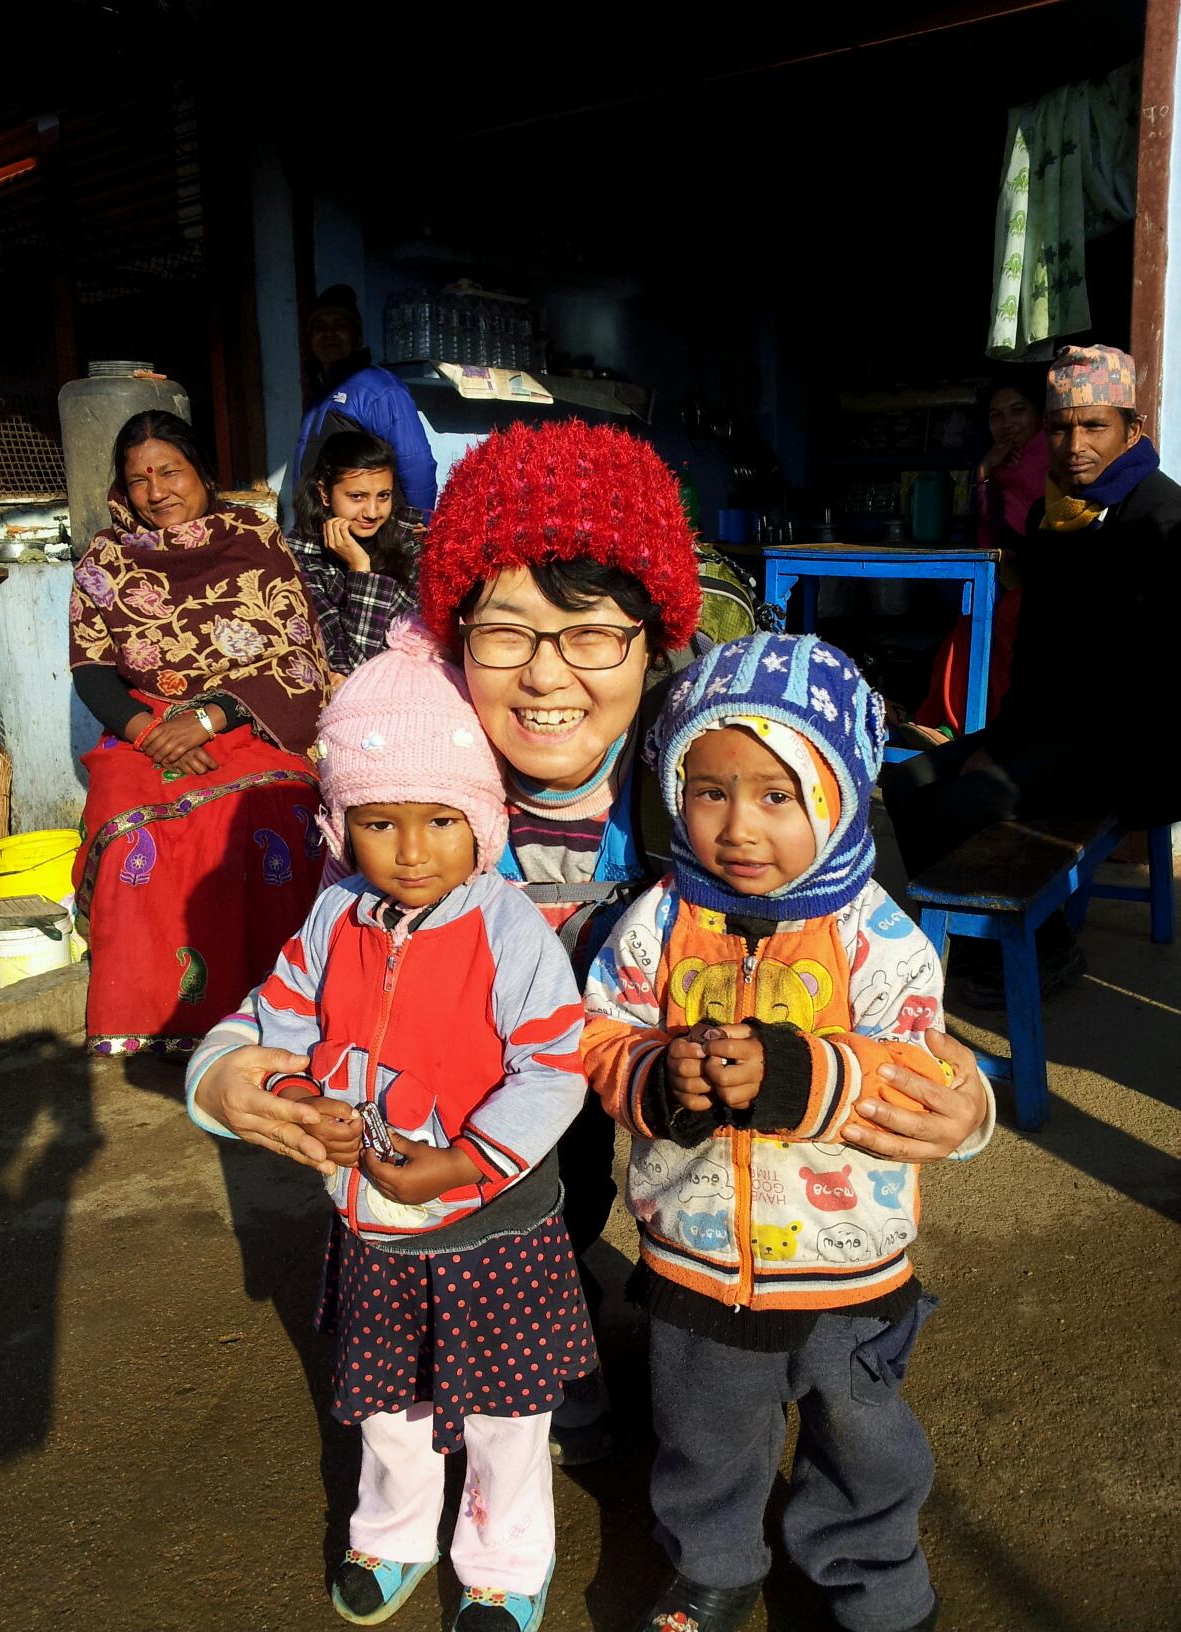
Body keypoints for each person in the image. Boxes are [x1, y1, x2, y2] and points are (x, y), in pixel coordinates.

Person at [187, 422, 992, 1461]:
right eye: (505, 632)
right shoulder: (415, 771)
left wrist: (959, 1104)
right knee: (535, 1181)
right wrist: (225, 1070)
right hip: (502, 1061)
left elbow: (877, 969)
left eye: (593, 633)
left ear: (656, 636)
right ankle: (534, 1324)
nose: (545, 677)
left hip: (682, 1051)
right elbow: (325, 959)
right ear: (453, 635)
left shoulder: (732, 757)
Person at [582, 632, 994, 1632]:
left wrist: (801, 1074)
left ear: (841, 797)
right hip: (693, 1257)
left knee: (861, 1434)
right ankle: (714, 1565)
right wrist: (655, 1070)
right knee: (705, 1433)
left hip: (847, 1265)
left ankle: (873, 1571)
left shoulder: (878, 936)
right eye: (708, 789)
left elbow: (921, 1069)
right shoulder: (654, 923)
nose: (738, 826)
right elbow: (600, 1036)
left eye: (778, 795)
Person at [255, 619, 593, 1630]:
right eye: (378, 821)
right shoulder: (331, 919)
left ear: (481, 821)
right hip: (375, 1226)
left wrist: (461, 1161)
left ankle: (504, 1559)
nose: (409, 850)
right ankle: (393, 1535)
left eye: (440, 820)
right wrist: (293, 1097)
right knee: (390, 1408)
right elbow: (280, 1020)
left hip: (493, 1222)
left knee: (505, 1413)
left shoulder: (511, 928)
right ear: (341, 825)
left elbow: (553, 1067)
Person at [884, 344, 1181, 1005]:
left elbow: (1144, 681)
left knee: (968, 800)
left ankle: (1048, 952)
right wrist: (1005, 739)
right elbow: (1038, 655)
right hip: (1059, 727)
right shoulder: (1058, 515)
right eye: (1061, 427)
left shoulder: (1162, 521)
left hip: (1134, 742)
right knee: (908, 783)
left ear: (1132, 430)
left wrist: (1017, 753)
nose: (1074, 444)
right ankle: (983, 942)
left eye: (1094, 426)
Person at [69, 410, 331, 1054]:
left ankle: (282, 1006)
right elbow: (92, 670)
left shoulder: (253, 536)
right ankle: (164, 1021)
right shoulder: (105, 560)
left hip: (253, 721)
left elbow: (297, 656)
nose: (156, 491)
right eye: (138, 480)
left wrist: (210, 719)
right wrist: (145, 731)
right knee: (129, 812)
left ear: (201, 473)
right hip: (147, 731)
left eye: (170, 471)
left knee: (268, 807)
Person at [907, 370, 1048, 746]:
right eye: (996, 415)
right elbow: (996, 534)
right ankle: (954, 727)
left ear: (1041, 414)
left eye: (1018, 410)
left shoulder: (1052, 458)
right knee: (969, 627)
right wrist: (985, 470)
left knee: (999, 622)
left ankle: (977, 728)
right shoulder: (1005, 462)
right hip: (1011, 578)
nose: (1006, 424)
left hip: (1045, 580)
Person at [294, 285, 438, 515]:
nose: (329, 334)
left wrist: (419, 525)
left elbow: (416, 464)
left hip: (370, 537)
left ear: (357, 337)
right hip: (325, 535)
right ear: (310, 340)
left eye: (339, 326)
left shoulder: (379, 388)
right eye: (320, 326)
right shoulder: (320, 396)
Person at [287, 430, 419, 673]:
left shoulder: (410, 537)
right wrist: (360, 569)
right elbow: (353, 664)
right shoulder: (302, 564)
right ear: (325, 494)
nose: (371, 511)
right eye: (357, 497)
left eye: (383, 496)